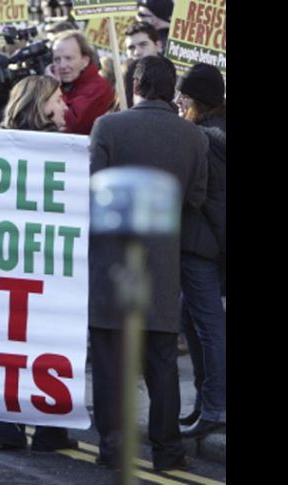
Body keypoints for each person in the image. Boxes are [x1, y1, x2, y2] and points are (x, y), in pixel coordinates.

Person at [88, 55, 208, 472]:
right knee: (161, 367)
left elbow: (94, 191)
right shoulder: (194, 138)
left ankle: (113, 447)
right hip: (160, 265)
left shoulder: (108, 126)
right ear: (172, 91)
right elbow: (194, 200)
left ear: (135, 86)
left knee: (109, 366)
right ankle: (168, 451)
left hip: (109, 264)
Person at [0, 75, 79, 453]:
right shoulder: (62, 151)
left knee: (8, 348)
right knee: (49, 346)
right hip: (44, 268)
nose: (66, 108)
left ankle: (6, 428)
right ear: (39, 104)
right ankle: (48, 430)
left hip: (9, 267)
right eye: (58, 100)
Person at [175, 63, 226, 439]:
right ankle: (206, 401)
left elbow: (211, 202)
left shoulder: (207, 140)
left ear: (200, 101)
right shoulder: (210, 133)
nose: (179, 102)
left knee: (208, 327)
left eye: (185, 97)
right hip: (207, 247)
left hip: (203, 249)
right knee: (191, 320)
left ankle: (215, 407)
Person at [49, 30, 114, 134]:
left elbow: (67, 124)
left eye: (68, 58)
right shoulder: (66, 84)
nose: (62, 65)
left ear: (85, 61)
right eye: (57, 59)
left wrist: (53, 88)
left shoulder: (98, 87)